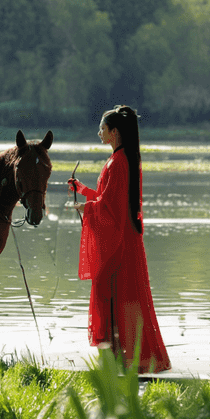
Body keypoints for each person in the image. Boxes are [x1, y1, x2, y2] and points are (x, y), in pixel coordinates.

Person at [68, 105, 171, 373]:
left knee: (117, 296)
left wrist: (85, 208)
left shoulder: (119, 162)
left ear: (114, 132)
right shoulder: (122, 159)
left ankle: (124, 359)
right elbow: (107, 197)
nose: (99, 132)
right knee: (123, 297)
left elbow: (110, 206)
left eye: (102, 128)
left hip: (120, 244)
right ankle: (123, 358)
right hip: (125, 239)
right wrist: (82, 190)